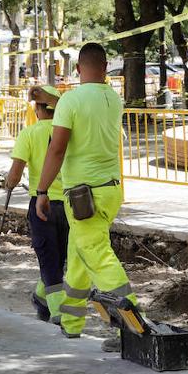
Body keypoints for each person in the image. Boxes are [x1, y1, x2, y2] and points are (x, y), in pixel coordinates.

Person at [36, 42, 134, 342]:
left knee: (99, 257)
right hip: (111, 190)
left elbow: (57, 148)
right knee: (78, 256)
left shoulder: (70, 101)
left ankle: (134, 327)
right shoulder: (113, 99)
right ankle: (71, 322)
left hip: (83, 197)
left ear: (77, 69)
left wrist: (42, 190)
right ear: (105, 68)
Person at [3, 85, 68, 324]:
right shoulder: (68, 131)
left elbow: (14, 175)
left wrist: (7, 183)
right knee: (58, 258)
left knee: (49, 259)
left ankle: (58, 313)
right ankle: (41, 299)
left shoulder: (29, 134)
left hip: (42, 203)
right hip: (69, 204)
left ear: (39, 109)